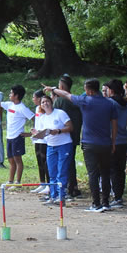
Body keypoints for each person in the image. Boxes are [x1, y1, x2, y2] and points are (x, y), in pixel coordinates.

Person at [46, 79, 118, 213]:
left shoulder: (85, 101)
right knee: (105, 173)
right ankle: (106, 202)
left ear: (90, 90)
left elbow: (66, 95)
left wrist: (53, 89)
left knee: (93, 174)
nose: (85, 92)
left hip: (90, 143)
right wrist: (113, 142)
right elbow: (114, 125)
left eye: (85, 89)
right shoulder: (110, 103)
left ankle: (96, 203)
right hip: (105, 143)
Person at [32, 92, 73, 205]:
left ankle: (61, 196)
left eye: (47, 101)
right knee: (52, 172)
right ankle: (53, 195)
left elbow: (70, 127)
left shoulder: (60, 113)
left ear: (51, 102)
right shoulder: (42, 118)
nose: (45, 104)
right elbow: (42, 133)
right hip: (51, 146)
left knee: (61, 171)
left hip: (64, 144)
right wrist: (36, 133)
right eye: (42, 102)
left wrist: (59, 131)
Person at [105, 79, 127, 208]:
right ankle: (119, 196)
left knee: (111, 169)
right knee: (120, 170)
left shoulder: (109, 103)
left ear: (111, 90)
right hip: (123, 141)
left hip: (110, 141)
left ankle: (114, 196)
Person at [54, 76, 83, 199]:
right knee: (71, 162)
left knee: (62, 162)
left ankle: (64, 188)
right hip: (75, 135)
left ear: (61, 87)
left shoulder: (60, 101)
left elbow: (53, 116)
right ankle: (73, 187)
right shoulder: (76, 100)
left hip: (62, 136)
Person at [30, 90, 50, 194]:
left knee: (45, 162)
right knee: (39, 162)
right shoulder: (37, 109)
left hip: (45, 140)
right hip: (37, 138)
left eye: (34, 97)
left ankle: (48, 184)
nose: (33, 99)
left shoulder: (46, 111)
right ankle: (42, 183)